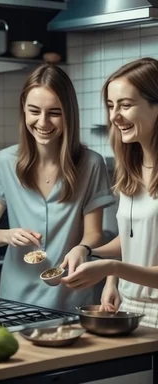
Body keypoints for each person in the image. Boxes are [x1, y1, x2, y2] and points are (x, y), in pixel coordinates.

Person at [0, 64, 114, 312]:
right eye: (34, 111)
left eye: (54, 112)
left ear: (69, 113)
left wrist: (82, 248)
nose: (43, 122)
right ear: (24, 111)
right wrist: (7, 235)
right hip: (14, 300)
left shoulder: (91, 163)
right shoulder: (5, 161)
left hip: (71, 295)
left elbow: (95, 232)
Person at [61, 57, 158, 328]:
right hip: (129, 308)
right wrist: (87, 251)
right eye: (110, 105)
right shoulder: (133, 169)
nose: (114, 116)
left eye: (125, 105)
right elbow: (134, 241)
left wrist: (111, 269)